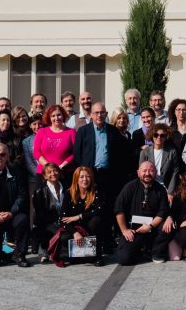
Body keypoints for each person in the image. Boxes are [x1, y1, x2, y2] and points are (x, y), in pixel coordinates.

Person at [74, 102, 130, 244]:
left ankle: (107, 240)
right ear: (91, 115)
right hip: (89, 175)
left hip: (108, 176)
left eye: (102, 112)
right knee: (90, 207)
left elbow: (120, 156)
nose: (99, 115)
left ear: (106, 114)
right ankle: (92, 239)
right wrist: (83, 173)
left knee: (108, 207)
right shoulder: (83, 131)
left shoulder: (113, 131)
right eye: (96, 113)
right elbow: (77, 155)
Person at [115, 161, 176, 265]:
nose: (147, 173)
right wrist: (125, 230)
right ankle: (140, 249)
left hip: (152, 228)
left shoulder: (160, 190)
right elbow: (119, 210)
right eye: (144, 170)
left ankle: (156, 252)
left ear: (156, 172)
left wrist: (150, 226)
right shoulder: (129, 187)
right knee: (124, 259)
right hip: (133, 230)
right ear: (138, 172)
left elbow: (162, 213)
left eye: (151, 170)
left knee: (168, 227)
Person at [54, 166, 105, 266]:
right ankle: (77, 255)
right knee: (64, 237)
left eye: (87, 176)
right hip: (76, 227)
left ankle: (96, 255)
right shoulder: (69, 193)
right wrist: (75, 233)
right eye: (81, 177)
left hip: (90, 226)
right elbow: (62, 218)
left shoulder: (96, 191)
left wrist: (80, 216)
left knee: (96, 221)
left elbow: (100, 210)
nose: (85, 180)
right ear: (76, 179)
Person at [33, 104, 76, 183]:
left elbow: (74, 153)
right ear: (49, 117)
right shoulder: (42, 131)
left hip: (64, 173)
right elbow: (36, 152)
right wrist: (49, 167)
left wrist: (62, 166)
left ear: (63, 116)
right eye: (53, 116)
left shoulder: (71, 132)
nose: (56, 118)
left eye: (59, 115)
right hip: (44, 173)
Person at [32, 162, 65, 263]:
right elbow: (40, 213)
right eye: (49, 172)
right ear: (45, 176)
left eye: (55, 170)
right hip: (47, 220)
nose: (53, 173)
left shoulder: (66, 187)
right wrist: (55, 222)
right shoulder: (39, 190)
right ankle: (43, 252)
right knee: (48, 228)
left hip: (64, 219)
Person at [138, 123, 180, 195]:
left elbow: (175, 172)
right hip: (149, 187)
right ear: (152, 136)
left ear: (166, 137)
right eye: (156, 135)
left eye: (162, 135)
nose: (159, 137)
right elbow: (141, 173)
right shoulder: (144, 153)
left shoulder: (172, 151)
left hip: (166, 187)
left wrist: (170, 192)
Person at [0, 109, 24, 175]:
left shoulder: (16, 139)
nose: (6, 122)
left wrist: (6, 168)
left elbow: (19, 158)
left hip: (12, 173)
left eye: (8, 120)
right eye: (3, 120)